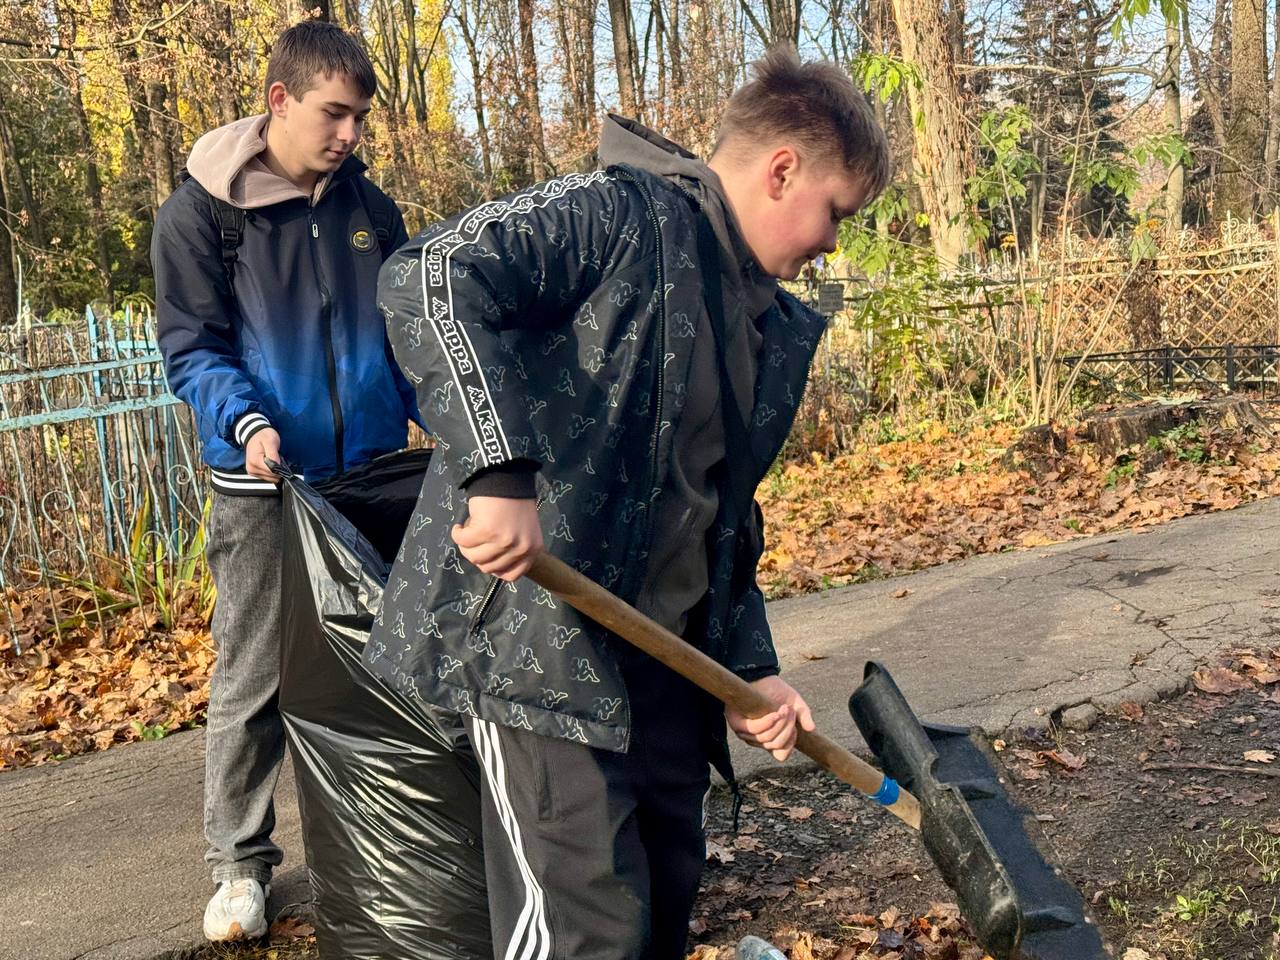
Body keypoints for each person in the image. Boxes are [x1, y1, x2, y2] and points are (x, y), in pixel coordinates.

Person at [368, 45, 890, 959]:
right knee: (588, 936)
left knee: (661, 909)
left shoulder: (757, 314)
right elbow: (431, 276)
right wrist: (497, 471)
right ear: (782, 170)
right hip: (540, 646)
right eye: (835, 213)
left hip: (666, 666)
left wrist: (751, 665)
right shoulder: (615, 217)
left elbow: (720, 513)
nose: (833, 245)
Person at [152, 20, 419, 942]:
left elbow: (409, 335)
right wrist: (248, 419)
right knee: (255, 673)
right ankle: (238, 865)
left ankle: (392, 842)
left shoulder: (369, 212)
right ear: (279, 101)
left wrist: (462, 423)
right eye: (332, 114)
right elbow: (191, 348)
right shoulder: (202, 214)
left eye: (358, 119)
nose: (349, 135)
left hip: (376, 478)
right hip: (265, 485)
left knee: (393, 668)